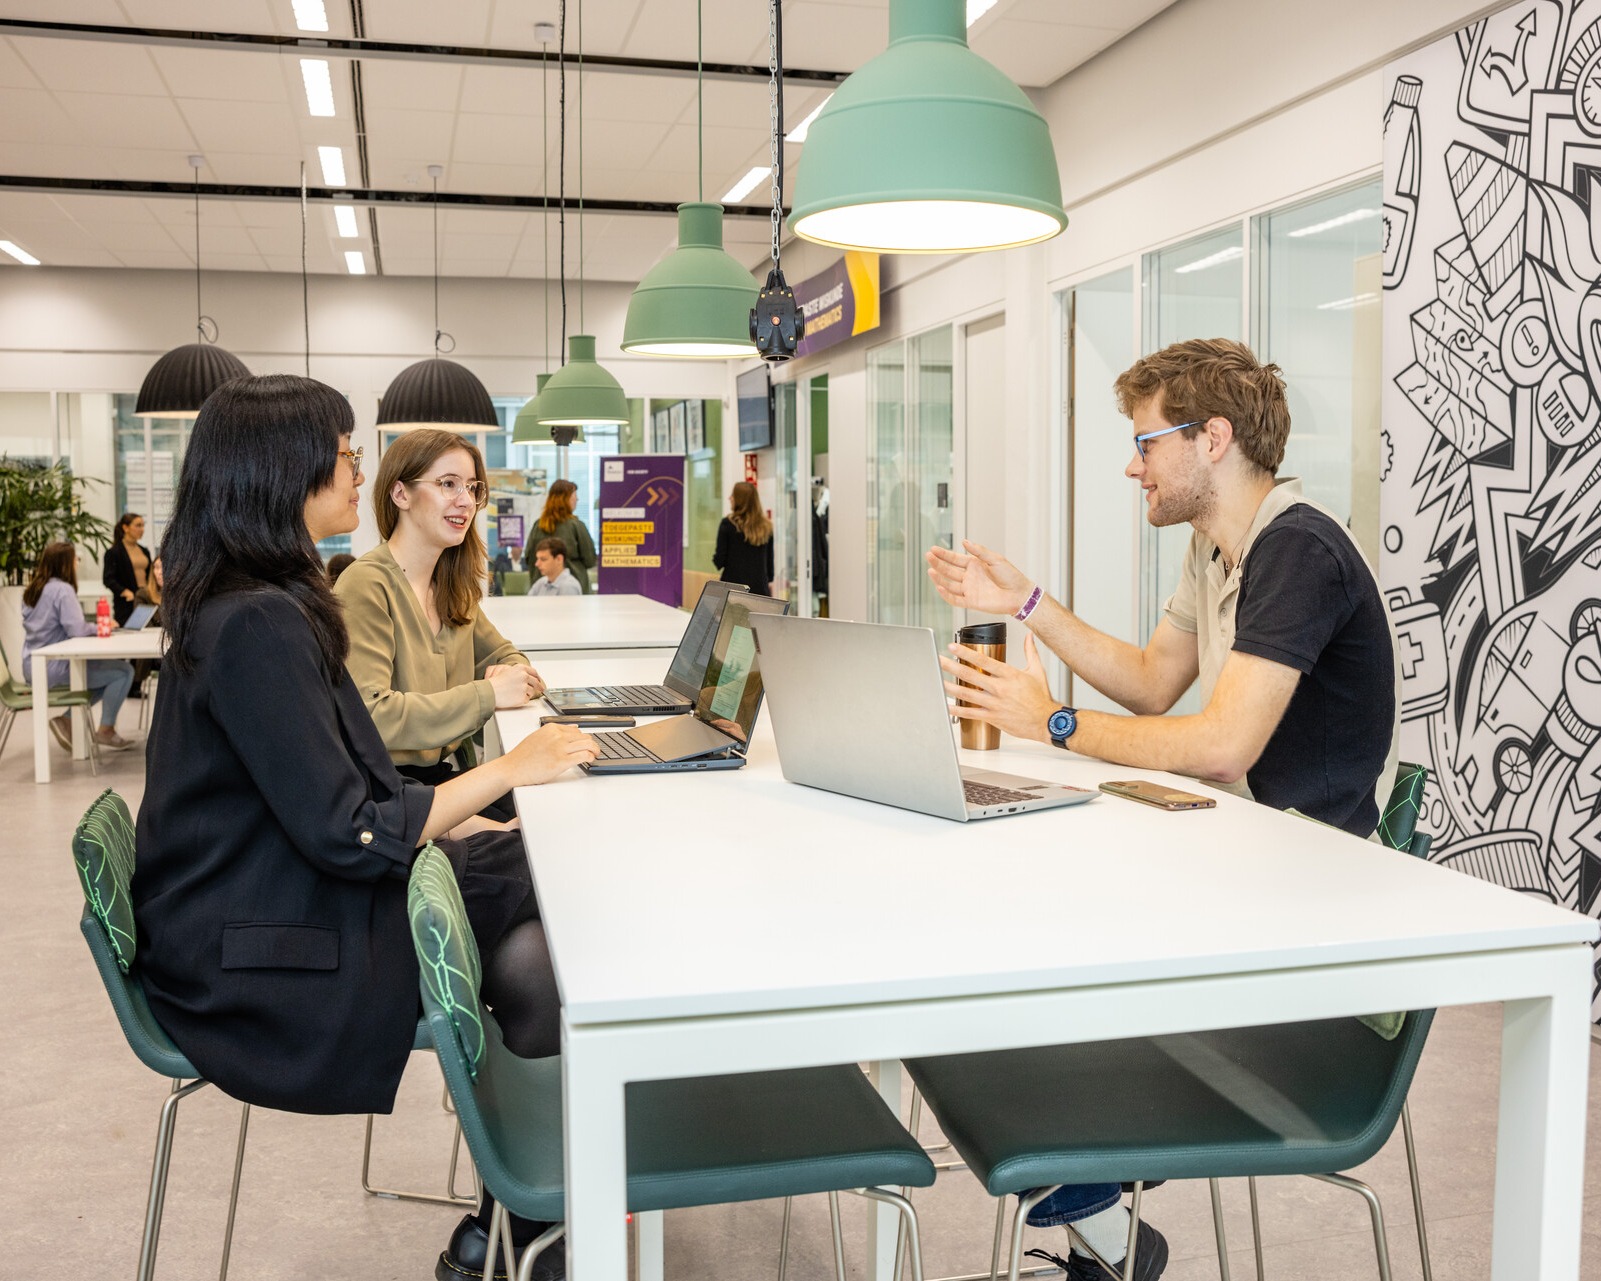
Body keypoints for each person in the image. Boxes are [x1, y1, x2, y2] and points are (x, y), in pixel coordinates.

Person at [925, 338, 1399, 1281]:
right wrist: (1025, 602)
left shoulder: (1295, 550)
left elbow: (1223, 743)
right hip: (1242, 862)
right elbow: (1150, 685)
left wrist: (1050, 719)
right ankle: (1103, 1228)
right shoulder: (1215, 545)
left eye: (1145, 443)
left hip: (1305, 907)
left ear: (1211, 438)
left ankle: (1093, 1196)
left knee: (1042, 941)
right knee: (1015, 924)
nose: (1130, 463)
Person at [132, 375, 595, 1281]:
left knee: (537, 943)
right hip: (258, 955)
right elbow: (349, 832)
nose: (356, 470)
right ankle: (534, 1217)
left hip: (263, 902)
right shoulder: (259, 621)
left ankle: (520, 1223)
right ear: (281, 471)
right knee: (565, 891)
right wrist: (504, 772)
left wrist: (450, 819)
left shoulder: (262, 599)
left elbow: (343, 794)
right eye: (344, 455)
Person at [335, 429, 546, 833]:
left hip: (448, 778)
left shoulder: (452, 587)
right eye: (448, 484)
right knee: (536, 844)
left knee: (556, 808)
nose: (465, 500)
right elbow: (374, 717)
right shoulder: (366, 584)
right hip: (391, 799)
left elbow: (513, 662)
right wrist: (488, 693)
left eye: (471, 487)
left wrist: (509, 678)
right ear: (401, 495)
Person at [20, 541, 137, 752]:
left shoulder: (34, 589)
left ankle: (67, 720)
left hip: (33, 666)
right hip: (55, 667)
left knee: (110, 677)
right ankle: (106, 731)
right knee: (123, 672)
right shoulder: (62, 590)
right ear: (65, 563)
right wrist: (104, 625)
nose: (77, 563)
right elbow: (77, 629)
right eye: (75, 559)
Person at [533, 479, 597, 594]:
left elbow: (530, 558)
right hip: (575, 588)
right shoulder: (576, 526)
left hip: (543, 589)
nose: (577, 499)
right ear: (565, 499)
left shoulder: (538, 526)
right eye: (574, 495)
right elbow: (590, 559)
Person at [714, 480, 774, 596]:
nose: (730, 498)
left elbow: (719, 561)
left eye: (733, 495)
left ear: (739, 500)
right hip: (760, 591)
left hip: (733, 591)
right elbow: (770, 569)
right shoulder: (767, 527)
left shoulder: (727, 524)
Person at [102, 511, 152, 627]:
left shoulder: (144, 551)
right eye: (138, 525)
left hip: (145, 598)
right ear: (126, 528)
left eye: (143, 525)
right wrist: (124, 592)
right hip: (126, 602)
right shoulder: (114, 552)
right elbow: (108, 579)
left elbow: (150, 574)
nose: (142, 529)